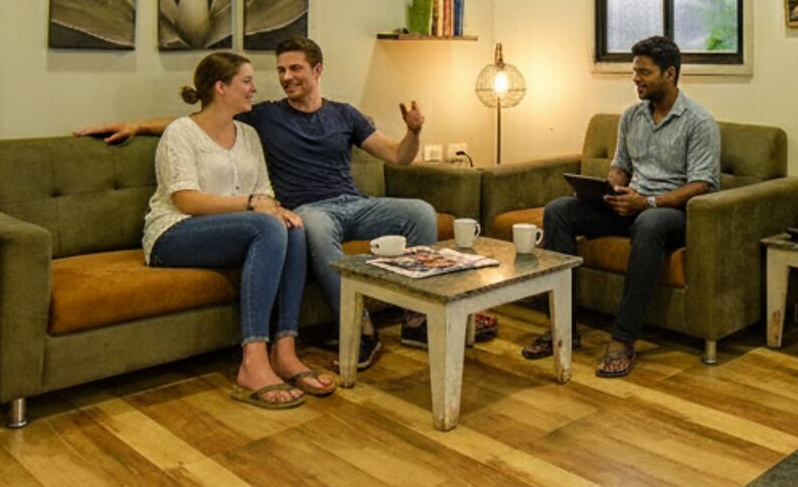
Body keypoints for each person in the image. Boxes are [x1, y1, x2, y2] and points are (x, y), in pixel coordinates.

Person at [81, 36, 495, 363]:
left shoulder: (344, 114)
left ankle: (416, 318)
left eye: (295, 68)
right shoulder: (265, 115)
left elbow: (399, 157)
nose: (286, 77)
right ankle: (359, 330)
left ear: (317, 70)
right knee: (309, 227)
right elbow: (200, 119)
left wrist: (415, 132)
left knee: (420, 212)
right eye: (280, 70)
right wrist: (137, 124)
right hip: (309, 210)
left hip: (354, 203)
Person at [143, 52, 333, 409]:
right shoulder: (180, 133)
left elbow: (266, 194)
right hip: (175, 234)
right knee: (268, 223)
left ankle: (285, 350)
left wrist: (276, 210)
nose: (254, 88)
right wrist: (252, 205)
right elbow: (185, 200)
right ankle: (253, 361)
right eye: (246, 81)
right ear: (221, 87)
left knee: (292, 227)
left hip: (236, 230)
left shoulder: (248, 135)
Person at [524, 35, 720, 378]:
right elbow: (620, 165)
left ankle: (624, 338)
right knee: (558, 211)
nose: (636, 79)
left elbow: (701, 184)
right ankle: (563, 327)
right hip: (629, 203)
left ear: (670, 74)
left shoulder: (699, 122)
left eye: (644, 72)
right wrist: (612, 187)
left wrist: (647, 202)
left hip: (670, 213)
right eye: (635, 71)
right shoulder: (631, 117)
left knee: (649, 224)